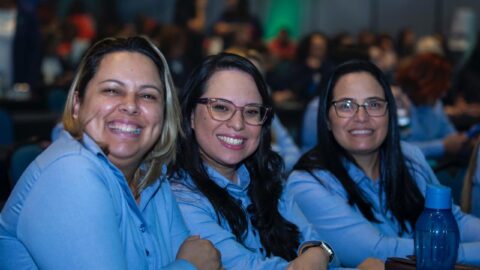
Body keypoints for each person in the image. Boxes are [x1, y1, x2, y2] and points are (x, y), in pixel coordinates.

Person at [0, 36, 220, 269]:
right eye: (112, 90)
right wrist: (189, 267)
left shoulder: (151, 176)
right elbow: (198, 261)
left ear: (164, 113)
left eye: (147, 95)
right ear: (77, 104)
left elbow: (202, 256)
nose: (131, 105)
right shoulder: (70, 172)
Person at [283, 60, 480, 267]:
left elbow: (453, 220)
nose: (361, 117)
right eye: (346, 106)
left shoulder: (409, 157)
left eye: (374, 104)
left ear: (389, 113)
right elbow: (375, 250)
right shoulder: (307, 183)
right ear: (327, 119)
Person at [169, 53, 336, 269]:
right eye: (221, 107)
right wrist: (316, 254)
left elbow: (324, 249)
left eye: (251, 111)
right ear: (191, 115)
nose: (238, 124)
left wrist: (320, 252)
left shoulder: (267, 179)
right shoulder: (181, 198)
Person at [395, 53, 469, 160]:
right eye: (439, 89)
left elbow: (450, 134)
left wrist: (464, 140)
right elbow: (402, 149)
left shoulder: (436, 103)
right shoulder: (400, 105)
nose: (443, 94)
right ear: (425, 85)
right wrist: (441, 146)